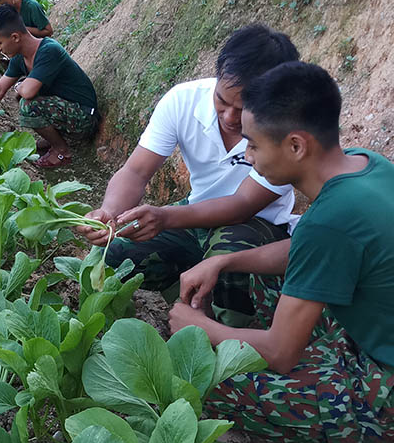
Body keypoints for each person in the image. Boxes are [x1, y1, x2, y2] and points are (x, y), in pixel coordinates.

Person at [169, 61, 394, 443]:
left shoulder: (332, 218)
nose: (248, 156)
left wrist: (200, 327)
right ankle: (330, 387)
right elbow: (307, 251)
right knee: (249, 276)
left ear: (296, 145)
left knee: (212, 385)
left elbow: (280, 354)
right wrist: (224, 262)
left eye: (254, 144)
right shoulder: (365, 166)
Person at [76, 24, 300, 324]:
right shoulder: (183, 101)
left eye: (244, 108)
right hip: (195, 216)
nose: (230, 117)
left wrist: (165, 217)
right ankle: (190, 300)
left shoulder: (289, 128)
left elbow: (243, 204)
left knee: (228, 259)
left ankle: (236, 329)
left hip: (259, 226)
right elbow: (136, 171)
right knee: (115, 255)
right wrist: (110, 213)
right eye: (222, 101)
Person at [0, 5, 98, 168]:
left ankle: (62, 151)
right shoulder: (19, 58)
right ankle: (54, 138)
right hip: (66, 110)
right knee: (27, 97)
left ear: (15, 37)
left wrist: (19, 86)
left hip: (84, 117)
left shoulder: (49, 50)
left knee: (28, 104)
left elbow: (28, 92)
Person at [0, 0, 53, 67]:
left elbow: (49, 31)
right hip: (18, 52)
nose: (2, 7)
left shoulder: (31, 7)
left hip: (38, 51)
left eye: (5, 4)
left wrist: (22, 28)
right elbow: (0, 34)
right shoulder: (3, 10)